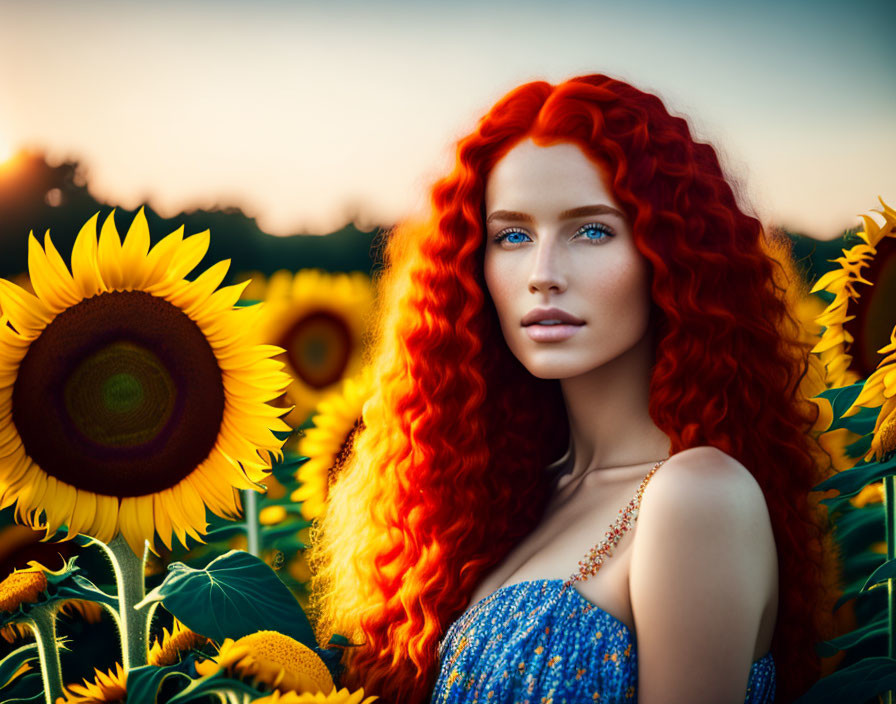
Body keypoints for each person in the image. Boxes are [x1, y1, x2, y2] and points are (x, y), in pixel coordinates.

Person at [305, 74, 839, 704]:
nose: (542, 275)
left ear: (671, 255)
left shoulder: (698, 497)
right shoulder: (504, 495)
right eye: (512, 235)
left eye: (591, 231)